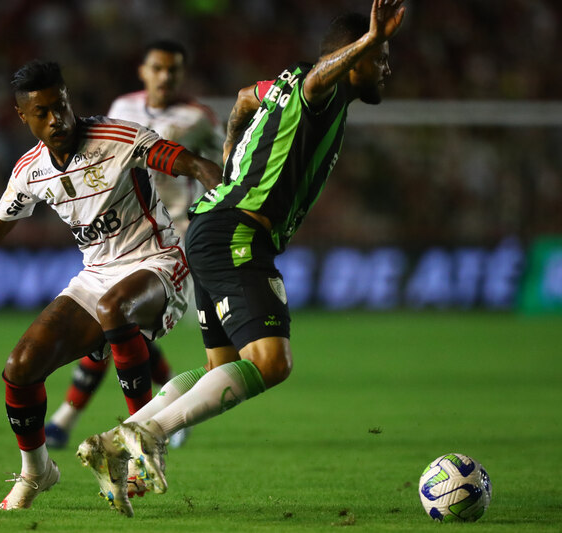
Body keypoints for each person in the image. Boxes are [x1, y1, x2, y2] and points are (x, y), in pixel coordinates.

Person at [77, 0, 406, 517]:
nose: (386, 66)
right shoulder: (320, 87)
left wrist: (231, 146)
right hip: (237, 233)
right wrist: (365, 40)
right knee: (272, 363)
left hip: (214, 226)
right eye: (380, 56)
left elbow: (242, 98)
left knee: (221, 366)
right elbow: (316, 78)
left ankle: (115, 443)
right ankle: (150, 431)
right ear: (352, 58)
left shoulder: (284, 86)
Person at [0, 60, 222, 513]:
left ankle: (143, 438)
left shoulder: (120, 138)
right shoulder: (30, 170)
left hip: (159, 262)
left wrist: (220, 190)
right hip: (97, 277)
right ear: (22, 117)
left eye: (61, 106)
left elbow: (187, 161)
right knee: (20, 366)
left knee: (114, 309)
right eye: (43, 113)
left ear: (69, 100)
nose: (57, 120)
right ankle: (37, 471)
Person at [45, 39, 223, 451]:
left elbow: (221, 165)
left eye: (173, 70)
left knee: (117, 328)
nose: (165, 77)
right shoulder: (121, 109)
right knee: (120, 331)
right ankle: (165, 415)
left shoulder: (198, 117)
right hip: (123, 237)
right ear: (143, 71)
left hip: (172, 239)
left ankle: (69, 419)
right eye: (157, 68)